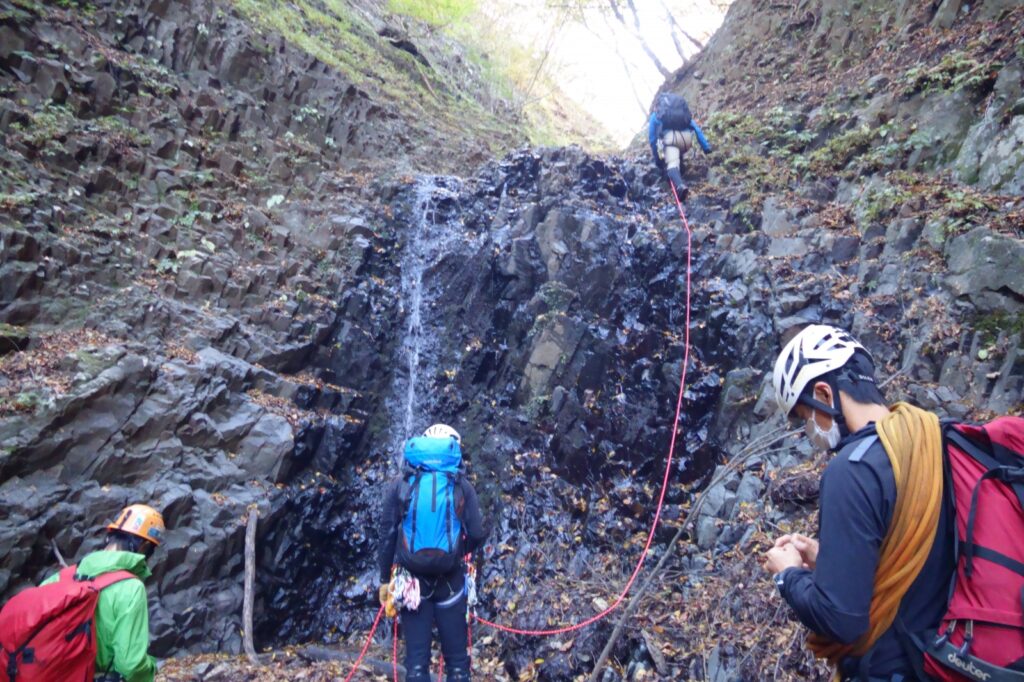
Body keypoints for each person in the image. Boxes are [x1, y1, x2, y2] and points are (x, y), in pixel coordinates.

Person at [762, 325, 954, 681]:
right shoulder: (933, 442)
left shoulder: (852, 470)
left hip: (901, 668)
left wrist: (788, 576)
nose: (811, 433)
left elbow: (841, 620)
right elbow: (926, 561)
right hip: (953, 657)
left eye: (806, 418)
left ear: (824, 393)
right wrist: (832, 559)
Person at [378, 424, 489, 682]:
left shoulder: (401, 485)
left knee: (416, 664)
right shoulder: (462, 485)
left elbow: (387, 535)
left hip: (413, 583)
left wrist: (385, 578)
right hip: (451, 580)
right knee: (458, 664)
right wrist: (459, 554)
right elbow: (476, 532)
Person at [41, 504, 164, 682]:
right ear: (144, 547)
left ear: (109, 538)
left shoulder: (63, 577)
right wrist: (152, 671)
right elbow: (130, 664)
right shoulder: (131, 588)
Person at [647, 92, 712, 202]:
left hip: (671, 140)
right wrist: (706, 147)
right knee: (676, 152)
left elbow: (653, 140)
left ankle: (680, 186)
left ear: (657, 105)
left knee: (672, 163)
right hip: (687, 140)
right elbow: (696, 128)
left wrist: (658, 160)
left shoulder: (656, 115)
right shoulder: (680, 113)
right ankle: (680, 167)